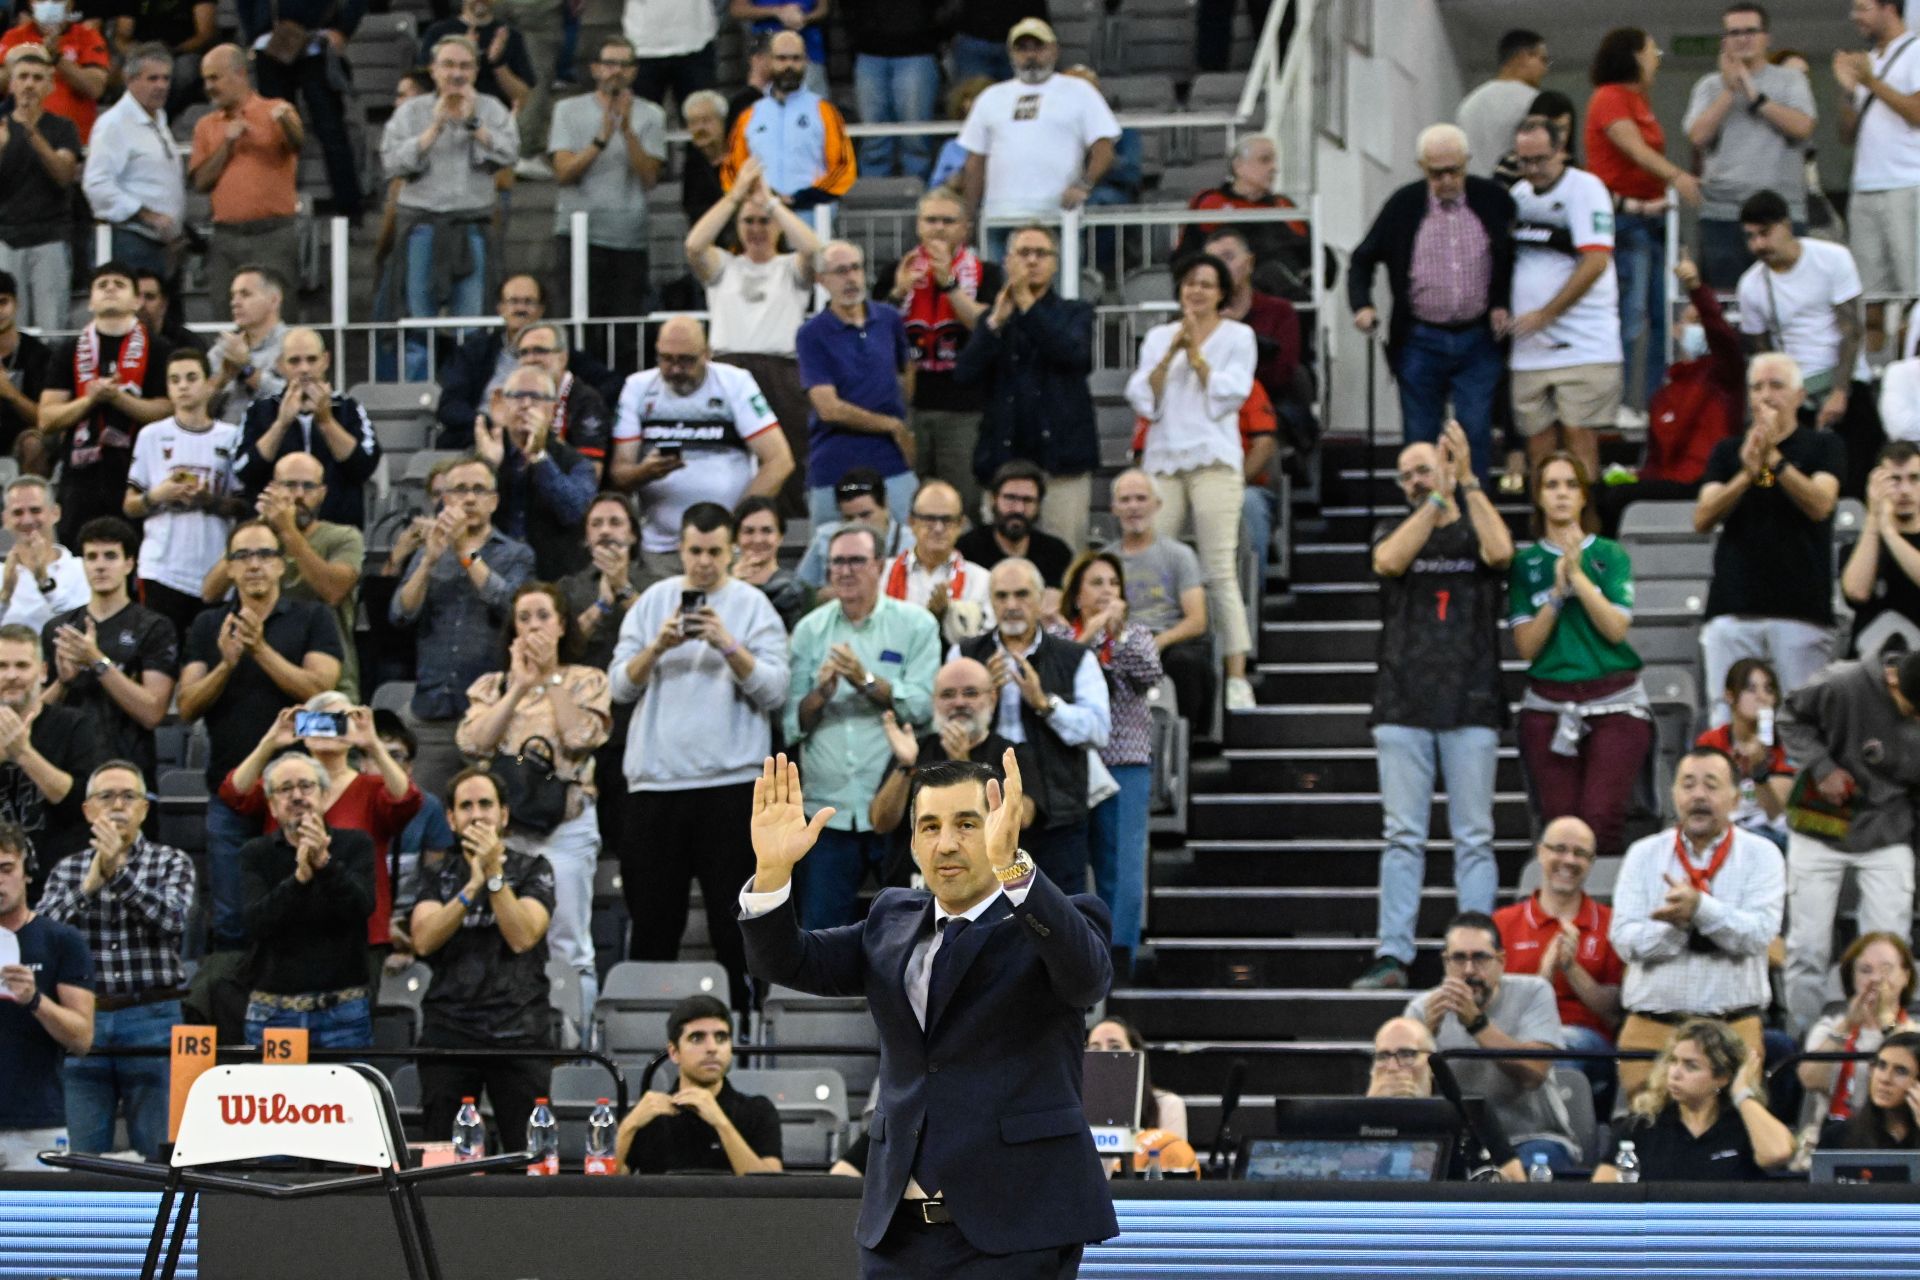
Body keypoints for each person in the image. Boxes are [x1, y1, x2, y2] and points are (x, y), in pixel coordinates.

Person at [742, 750, 1115, 1268]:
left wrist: (1015, 869)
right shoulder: (890, 917)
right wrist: (772, 871)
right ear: (913, 842)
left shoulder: (1057, 919)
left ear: (1002, 829)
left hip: (1019, 1227)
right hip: (896, 1235)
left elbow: (1088, 978)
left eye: (967, 824)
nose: (946, 843)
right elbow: (790, 961)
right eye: (930, 826)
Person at [1354, 428, 1512, 991]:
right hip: (1402, 703)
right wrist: (1436, 499)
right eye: (1408, 475)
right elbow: (1389, 560)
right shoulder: (1394, 529)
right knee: (1403, 837)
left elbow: (1501, 553)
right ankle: (1392, 955)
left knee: (1474, 837)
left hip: (1472, 701)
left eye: (1425, 468)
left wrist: (1465, 482)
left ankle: (1477, 958)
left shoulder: (1475, 527)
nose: (1416, 481)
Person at [610, 502, 785, 1007]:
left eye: (713, 552)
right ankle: (645, 1030)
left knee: (736, 927)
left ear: (731, 551)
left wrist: (728, 645)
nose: (703, 562)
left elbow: (775, 692)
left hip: (731, 789)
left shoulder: (752, 605)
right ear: (680, 550)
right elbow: (618, 687)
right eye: (694, 551)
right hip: (656, 787)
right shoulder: (653, 604)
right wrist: (657, 647)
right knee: (653, 923)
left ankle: (745, 1033)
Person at [178, 520, 344, 953]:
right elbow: (187, 705)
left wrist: (260, 650)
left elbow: (319, 690)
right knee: (233, 919)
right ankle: (238, 1012)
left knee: (303, 908)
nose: (254, 565)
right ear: (229, 568)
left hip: (302, 793)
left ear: (282, 566)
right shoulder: (207, 625)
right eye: (243, 556)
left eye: (265, 555)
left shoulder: (312, 617)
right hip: (232, 789)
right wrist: (227, 663)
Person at [455, 581, 610, 1022]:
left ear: (562, 625)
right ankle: (513, 1031)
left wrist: (551, 679)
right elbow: (473, 745)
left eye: (543, 616)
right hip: (506, 829)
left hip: (566, 824)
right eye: (524, 618)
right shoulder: (493, 685)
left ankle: (576, 1045)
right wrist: (520, 687)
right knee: (506, 934)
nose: (533, 626)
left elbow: (581, 737)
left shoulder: (586, 679)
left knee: (567, 939)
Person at [783, 524, 940, 928]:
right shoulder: (809, 630)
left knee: (911, 933)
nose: (845, 570)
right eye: (837, 561)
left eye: (856, 560)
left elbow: (922, 709)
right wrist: (820, 693)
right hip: (826, 812)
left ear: (879, 566)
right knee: (820, 934)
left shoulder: (916, 625)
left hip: (899, 807)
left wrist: (865, 681)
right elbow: (790, 725)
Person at [1609, 747, 1785, 1098]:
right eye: (1688, 785)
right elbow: (1624, 940)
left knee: (1734, 1135)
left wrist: (1701, 908)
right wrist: (1676, 928)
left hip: (1733, 1027)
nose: (1699, 795)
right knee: (1647, 1134)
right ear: (1674, 794)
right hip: (1652, 1028)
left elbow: (1759, 935)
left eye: (1711, 785)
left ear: (1735, 798)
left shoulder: (1762, 854)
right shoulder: (1643, 854)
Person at [36, 761, 188, 1160]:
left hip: (153, 1015)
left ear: (144, 809)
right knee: (82, 1157)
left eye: (128, 796)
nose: (117, 805)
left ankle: (162, 1224)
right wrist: (88, 886)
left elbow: (173, 922)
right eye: (106, 796)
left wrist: (116, 872)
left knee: (161, 1154)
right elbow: (42, 940)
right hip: (83, 1020)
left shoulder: (171, 862)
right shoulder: (67, 869)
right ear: (88, 811)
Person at [1348, 122, 1514, 487]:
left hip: (1477, 337)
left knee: (1475, 433)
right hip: (1420, 338)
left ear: (1467, 164)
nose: (1447, 180)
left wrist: (1502, 303)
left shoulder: (1493, 200)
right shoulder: (1404, 204)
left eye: (1455, 170)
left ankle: (1475, 527)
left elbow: (1511, 257)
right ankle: (1424, 528)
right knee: (1420, 441)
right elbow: (1362, 258)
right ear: (1422, 167)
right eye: (1436, 173)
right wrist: (1362, 305)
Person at [1126, 253, 1257, 711]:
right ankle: (1141, 665)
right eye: (1189, 283)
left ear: (1221, 292)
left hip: (1214, 461)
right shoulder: (1162, 335)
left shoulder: (1239, 335)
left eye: (1206, 284)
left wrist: (1198, 358)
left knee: (1218, 567)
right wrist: (1170, 354)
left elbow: (1231, 394)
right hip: (1164, 459)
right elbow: (1145, 397)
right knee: (1151, 559)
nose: (1196, 291)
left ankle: (1237, 673)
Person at [1509, 453, 1651, 859]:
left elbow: (1616, 628)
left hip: (1615, 700)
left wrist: (1579, 579)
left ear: (1584, 496)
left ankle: (1599, 919)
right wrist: (1555, 594)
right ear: (1538, 497)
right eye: (1551, 485)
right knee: (1559, 829)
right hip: (1549, 704)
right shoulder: (1525, 563)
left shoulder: (1611, 554)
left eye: (1571, 485)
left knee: (1601, 819)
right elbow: (1526, 647)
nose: (1561, 494)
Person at [220, 697, 421, 982]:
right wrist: (270, 742)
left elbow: (407, 800)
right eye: (317, 721)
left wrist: (372, 744)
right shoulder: (283, 787)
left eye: (337, 721)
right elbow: (234, 793)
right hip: (287, 926)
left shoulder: (371, 787)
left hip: (356, 931)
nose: (327, 730)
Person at [1774, 645, 1920, 1034]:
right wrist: (1822, 768)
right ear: (1892, 680)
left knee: (1888, 950)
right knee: (1808, 948)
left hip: (1889, 825)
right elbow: (1789, 717)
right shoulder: (1843, 682)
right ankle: (1804, 1039)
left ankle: (1881, 1038)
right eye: (1912, 708)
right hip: (1823, 820)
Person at [411, 766, 556, 1153]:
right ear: (451, 818)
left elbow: (523, 936)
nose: (477, 815)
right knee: (443, 1159)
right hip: (450, 1033)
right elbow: (423, 940)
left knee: (530, 1159)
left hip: (519, 1030)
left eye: (486, 805)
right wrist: (472, 885)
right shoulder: (437, 874)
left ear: (504, 815)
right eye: (466, 806)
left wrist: (492, 874)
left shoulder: (534, 869)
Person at [1693, 352, 1845, 717]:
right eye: (1757, 387)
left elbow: (1821, 504)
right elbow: (1702, 517)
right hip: (1733, 608)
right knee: (1727, 719)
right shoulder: (1728, 452)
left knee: (1803, 721)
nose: (1765, 395)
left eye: (1776, 385)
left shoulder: (1823, 447)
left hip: (1800, 612)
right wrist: (1748, 472)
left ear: (1799, 395)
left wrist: (1774, 461)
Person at [957, 557, 1109, 893]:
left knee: (1061, 919)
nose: (1011, 605)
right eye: (1001, 596)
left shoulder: (1075, 656)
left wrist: (1045, 704)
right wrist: (983, 695)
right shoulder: (965, 653)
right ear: (990, 601)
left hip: (1057, 810)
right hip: (982, 807)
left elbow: (1099, 730)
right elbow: (946, 720)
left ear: (1041, 600)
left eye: (1022, 595)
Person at [379, 35, 519, 382]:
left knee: (471, 326)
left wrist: (474, 125)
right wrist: (435, 126)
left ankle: (466, 403)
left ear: (475, 70)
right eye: (448, 65)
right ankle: (417, 399)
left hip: (471, 226)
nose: (456, 74)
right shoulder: (411, 112)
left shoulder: (491, 109)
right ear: (434, 69)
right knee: (418, 324)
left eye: (465, 66)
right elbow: (392, 162)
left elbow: (510, 154)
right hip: (422, 228)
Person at [611, 316, 793, 577]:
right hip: (662, 548)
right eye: (666, 359)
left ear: (707, 354)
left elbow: (779, 461)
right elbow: (619, 473)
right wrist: (646, 473)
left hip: (723, 547)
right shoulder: (638, 387)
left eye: (686, 360)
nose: (675, 369)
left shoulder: (735, 383)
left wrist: (736, 524)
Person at [685, 162, 821, 505]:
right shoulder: (723, 267)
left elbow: (814, 251)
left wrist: (771, 202)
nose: (756, 229)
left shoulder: (790, 268)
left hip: (782, 372)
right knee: (730, 453)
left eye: (764, 222)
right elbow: (694, 245)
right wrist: (734, 197)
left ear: (777, 226)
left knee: (788, 454)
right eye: (749, 221)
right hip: (728, 370)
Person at [953, 224, 1096, 549]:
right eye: (1023, 253)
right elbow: (964, 375)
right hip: (1003, 466)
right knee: (999, 565)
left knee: (1065, 560)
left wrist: (1026, 303)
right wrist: (995, 323)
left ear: (1055, 263)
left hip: (1062, 466)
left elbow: (1072, 355)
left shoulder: (1077, 313)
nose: (1032, 261)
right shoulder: (995, 319)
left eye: (1041, 253)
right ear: (1007, 262)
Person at [1050, 551, 1159, 968]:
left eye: (1113, 584)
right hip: (1066, 763)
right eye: (1096, 583)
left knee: (1122, 871)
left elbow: (1149, 673)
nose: (1106, 592)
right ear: (1076, 594)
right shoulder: (1058, 633)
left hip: (1123, 762)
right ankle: (1071, 958)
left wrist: (1116, 635)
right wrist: (1090, 634)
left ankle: (1118, 958)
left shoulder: (1137, 635)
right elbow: (1052, 674)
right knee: (1066, 867)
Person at [1405, 911, 1578, 1172]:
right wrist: (1425, 1038)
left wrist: (1477, 1024)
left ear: (1501, 960)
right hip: (1454, 1142)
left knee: (1522, 1175)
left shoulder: (1533, 993)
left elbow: (1534, 1074)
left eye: (1480, 958)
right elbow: (1402, 1091)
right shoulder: (1423, 1010)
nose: (1469, 970)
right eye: (1459, 958)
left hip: (1532, 1138)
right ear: (1445, 962)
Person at [1586, 27, 1701, 410]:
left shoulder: (1639, 100)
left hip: (1654, 220)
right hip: (1626, 220)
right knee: (1630, 317)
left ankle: (1651, 404)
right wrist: (1677, 176)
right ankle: (1617, 402)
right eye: (1652, 50)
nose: (1656, 57)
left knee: (1658, 317)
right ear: (1634, 55)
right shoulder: (1609, 98)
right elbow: (1633, 150)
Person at [1508, 115, 1621, 481]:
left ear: (1562, 152)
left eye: (1541, 159)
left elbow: (1595, 261)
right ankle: (1546, 532)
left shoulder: (1586, 189)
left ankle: (1586, 534)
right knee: (1538, 447)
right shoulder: (1518, 197)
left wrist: (1547, 312)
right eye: (1524, 161)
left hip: (1584, 343)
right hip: (1529, 350)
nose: (1533, 170)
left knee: (1578, 441)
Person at [238, 752, 377, 1048]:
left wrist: (324, 864)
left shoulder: (356, 844)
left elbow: (361, 906)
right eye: (285, 789)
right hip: (273, 1014)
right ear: (273, 806)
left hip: (343, 1013)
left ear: (325, 797)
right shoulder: (256, 853)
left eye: (306, 786)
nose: (297, 796)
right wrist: (300, 879)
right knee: (275, 1097)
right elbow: (255, 922)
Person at [202, 451, 366, 701]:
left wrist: (286, 529)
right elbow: (210, 592)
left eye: (308, 486)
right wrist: (258, 526)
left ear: (322, 493)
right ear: (272, 489)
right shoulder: (256, 539)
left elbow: (333, 591)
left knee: (325, 739)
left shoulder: (343, 537)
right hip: (261, 685)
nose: (298, 495)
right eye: (289, 485)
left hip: (328, 687)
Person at [1494, 817, 1626, 1114]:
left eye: (1580, 854)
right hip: (1517, 1038)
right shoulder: (1504, 923)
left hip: (1588, 1041)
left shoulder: (1611, 923)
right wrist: (1544, 974)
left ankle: (1550, 1133)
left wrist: (1571, 968)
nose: (1569, 860)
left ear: (1591, 862)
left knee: (1559, 1045)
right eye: (1559, 849)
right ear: (1541, 852)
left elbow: (1613, 1014)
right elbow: (1497, 1008)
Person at [391, 456, 537, 723]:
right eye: (460, 490)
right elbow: (401, 614)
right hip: (432, 705)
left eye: (479, 490)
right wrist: (428, 562)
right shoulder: (427, 552)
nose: (469, 499)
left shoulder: (518, 555)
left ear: (494, 502)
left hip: (493, 709)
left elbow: (510, 608)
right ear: (446, 500)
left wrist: (464, 551)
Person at [36, 262, 172, 544]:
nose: (110, 288)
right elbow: (47, 419)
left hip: (139, 473)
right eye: (102, 285)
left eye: (119, 284)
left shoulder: (159, 348)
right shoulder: (68, 350)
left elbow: (169, 411)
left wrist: (118, 399)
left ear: (137, 301)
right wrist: (90, 399)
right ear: (90, 302)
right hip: (81, 476)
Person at [1735, 190, 1872, 464]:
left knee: (1860, 466)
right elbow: (1761, 354)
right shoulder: (1750, 285)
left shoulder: (1833, 258)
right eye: (1750, 237)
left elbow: (1852, 330)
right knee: (1775, 475)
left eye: (1764, 233)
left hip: (1845, 381)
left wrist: (1839, 392)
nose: (1758, 245)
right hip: (1796, 394)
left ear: (1785, 225)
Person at [1683, 7, 1817, 289]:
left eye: (1750, 31)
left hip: (1781, 212)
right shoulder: (1708, 86)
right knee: (1726, 304)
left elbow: (1802, 127)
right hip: (1722, 214)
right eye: (1734, 33)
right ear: (1725, 42)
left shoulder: (1790, 80)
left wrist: (1754, 95)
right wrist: (1731, 90)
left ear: (1766, 37)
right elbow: (1697, 136)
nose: (1742, 39)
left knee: (1788, 296)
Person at [41, 519, 178, 786]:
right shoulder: (58, 629)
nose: (100, 565)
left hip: (130, 772)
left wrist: (97, 661)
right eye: (91, 557)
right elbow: (35, 713)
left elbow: (152, 713)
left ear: (129, 564)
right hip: (66, 774)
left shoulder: (154, 627)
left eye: (110, 556)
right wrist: (63, 683)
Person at [957, 17, 1118, 244]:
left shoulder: (1079, 91)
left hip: (1059, 215)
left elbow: (1104, 148)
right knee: (1001, 279)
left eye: (1038, 47)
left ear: (1055, 50)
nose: (1030, 55)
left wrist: (1084, 185)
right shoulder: (990, 97)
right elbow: (975, 162)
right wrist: (969, 215)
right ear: (1011, 54)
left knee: (1062, 280)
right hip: (1000, 215)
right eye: (1022, 49)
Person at [889, 190, 1000, 517]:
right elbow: (875, 332)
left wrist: (949, 284)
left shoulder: (986, 273)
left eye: (948, 221)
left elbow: (987, 326)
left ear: (965, 228)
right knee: (907, 506)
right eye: (930, 220)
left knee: (962, 504)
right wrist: (898, 291)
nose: (938, 228)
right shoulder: (898, 270)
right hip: (907, 408)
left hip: (965, 408)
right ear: (918, 226)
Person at [550, 35, 666, 334]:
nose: (617, 71)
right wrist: (601, 139)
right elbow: (563, 172)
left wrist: (627, 132)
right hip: (578, 236)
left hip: (629, 237)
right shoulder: (567, 110)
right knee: (578, 327)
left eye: (625, 64)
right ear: (595, 69)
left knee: (625, 331)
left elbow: (650, 178)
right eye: (610, 63)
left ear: (634, 71)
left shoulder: (652, 114)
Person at [798, 240, 916, 527]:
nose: (850, 278)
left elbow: (908, 368)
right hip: (834, 463)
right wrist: (892, 424)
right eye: (840, 271)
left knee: (906, 547)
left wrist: (902, 413)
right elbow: (829, 409)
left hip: (890, 461)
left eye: (855, 268)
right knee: (833, 552)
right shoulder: (812, 334)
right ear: (821, 280)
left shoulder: (888, 319)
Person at [1591, 1017, 1793, 1180]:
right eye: (1673, 1061)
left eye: (1691, 1066)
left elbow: (1778, 1153)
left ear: (1722, 1078)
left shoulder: (1744, 1126)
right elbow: (1601, 1194)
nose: (1675, 1073)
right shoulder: (1642, 1126)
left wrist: (1741, 1093)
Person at [869, 657, 1032, 855]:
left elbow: (1023, 818)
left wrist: (964, 764)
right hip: (914, 882)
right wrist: (905, 766)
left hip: (987, 880)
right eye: (947, 694)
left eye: (970, 693)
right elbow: (880, 823)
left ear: (992, 698)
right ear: (934, 701)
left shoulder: (1012, 753)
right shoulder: (913, 749)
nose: (959, 702)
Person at [0, 827, 93, 1169]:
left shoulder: (60, 940)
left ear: (26, 871)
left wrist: (35, 999)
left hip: (37, 1120)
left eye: (6, 869)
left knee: (41, 1223)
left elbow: (82, 1038)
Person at [232, 329, 383, 530]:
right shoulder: (260, 410)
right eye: (294, 361)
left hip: (336, 532)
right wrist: (281, 424)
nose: (304, 369)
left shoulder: (348, 408)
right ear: (280, 365)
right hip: (273, 534)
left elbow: (364, 466)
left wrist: (327, 422)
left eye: (312, 360)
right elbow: (243, 470)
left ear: (326, 360)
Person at [190, 45, 302, 312]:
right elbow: (201, 182)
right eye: (205, 79)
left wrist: (285, 123)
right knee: (225, 317)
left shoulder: (278, 110)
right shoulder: (205, 125)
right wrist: (227, 144)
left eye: (214, 78)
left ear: (239, 73)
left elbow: (298, 144)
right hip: (225, 239)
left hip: (273, 235)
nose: (208, 86)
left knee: (279, 317)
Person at [616, 992, 782, 1174]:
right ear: (674, 1052)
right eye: (697, 1038)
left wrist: (721, 1123)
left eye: (721, 1037)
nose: (712, 1048)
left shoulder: (758, 1110)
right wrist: (628, 1126)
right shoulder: (649, 1114)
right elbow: (604, 1191)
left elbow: (771, 1191)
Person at [1834, 0, 1920, 348]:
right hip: (1865, 186)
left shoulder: (1915, 51)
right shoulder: (1866, 59)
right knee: (1869, 297)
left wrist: (1870, 81)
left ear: (1889, 8)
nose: (1855, 17)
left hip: (1907, 184)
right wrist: (1847, 89)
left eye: (1863, 8)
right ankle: (1873, 377)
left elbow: (1916, 112)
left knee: (1912, 291)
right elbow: (1846, 135)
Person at [473, 366, 596, 581]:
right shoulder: (483, 452)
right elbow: (453, 511)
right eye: (518, 396)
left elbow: (576, 513)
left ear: (553, 409)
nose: (526, 404)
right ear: (501, 403)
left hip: (553, 582)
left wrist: (539, 458)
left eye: (537, 397)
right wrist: (488, 468)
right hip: (488, 576)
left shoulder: (575, 462)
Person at [1364, 1015, 1525, 1180]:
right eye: (1383, 1056)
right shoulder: (1353, 1113)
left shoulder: (1468, 1109)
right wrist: (1371, 1109)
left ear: (1432, 1063)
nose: (1392, 1067)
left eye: (1407, 1054)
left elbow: (1516, 1178)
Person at [0, 620, 105, 869]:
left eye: (22, 665)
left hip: (58, 876)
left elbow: (83, 804)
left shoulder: (75, 725)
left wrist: (23, 753)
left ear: (44, 671)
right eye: (2, 666)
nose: (11, 675)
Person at [1110, 469, 1211, 721]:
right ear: (1114, 507)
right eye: (1125, 500)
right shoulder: (1105, 561)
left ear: (1157, 505)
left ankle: (1184, 745)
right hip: (1119, 643)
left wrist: (1158, 642)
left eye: (1141, 498)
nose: (1134, 507)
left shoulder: (1180, 555)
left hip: (1168, 643)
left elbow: (1197, 620)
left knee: (1185, 663)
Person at [1798, 932, 1918, 1144]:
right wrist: (1845, 1026)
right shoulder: (1829, 1028)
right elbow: (1810, 1079)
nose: (1875, 979)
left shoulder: (1914, 1033)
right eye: (1865, 970)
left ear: (1905, 976)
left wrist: (1887, 1024)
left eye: (1886, 969)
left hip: (1896, 1141)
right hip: (1832, 1138)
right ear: (1851, 977)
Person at [720, 29, 853, 210]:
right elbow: (731, 170)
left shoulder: (825, 112)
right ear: (769, 61)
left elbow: (843, 167)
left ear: (806, 61)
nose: (789, 65)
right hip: (764, 215)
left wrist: (805, 197)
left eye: (796, 58)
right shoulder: (750, 115)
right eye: (781, 58)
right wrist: (757, 197)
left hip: (812, 215)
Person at [80, 45, 182, 279]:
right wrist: (148, 215)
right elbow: (96, 185)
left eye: (166, 78)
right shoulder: (114, 123)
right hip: (127, 241)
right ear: (130, 80)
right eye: (152, 78)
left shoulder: (159, 119)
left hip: (158, 244)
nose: (161, 85)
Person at [0, 49, 78, 332]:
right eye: (22, 77)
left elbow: (64, 175)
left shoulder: (62, 128)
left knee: (52, 330)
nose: (29, 84)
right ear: (11, 84)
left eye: (37, 78)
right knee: (5, 329)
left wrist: (31, 133)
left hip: (50, 239)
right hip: (6, 239)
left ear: (50, 86)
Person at [1177, 134, 1311, 299]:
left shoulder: (1284, 206)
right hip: (1226, 296)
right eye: (1265, 160)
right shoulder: (1209, 202)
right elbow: (1185, 256)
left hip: (1282, 299)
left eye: (1274, 161)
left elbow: (1312, 254)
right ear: (1239, 166)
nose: (1274, 168)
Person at [1696, 658, 1794, 847]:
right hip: (1723, 828)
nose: (1762, 697)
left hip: (1771, 834)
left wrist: (1759, 771)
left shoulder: (1785, 744)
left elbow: (1774, 814)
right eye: (1751, 689)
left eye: (1769, 689)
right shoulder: (1711, 741)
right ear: (1730, 696)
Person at [881, 481, 992, 645]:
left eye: (947, 520)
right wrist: (930, 617)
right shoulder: (881, 573)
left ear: (961, 525)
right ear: (912, 522)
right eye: (929, 519)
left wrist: (946, 618)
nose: (938, 528)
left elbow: (986, 645)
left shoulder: (983, 581)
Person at [845, 0, 940, 178]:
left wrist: (932, 30)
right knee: (873, 135)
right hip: (869, 50)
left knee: (915, 136)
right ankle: (873, 196)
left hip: (918, 49)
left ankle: (917, 195)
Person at [514, 323, 615, 480]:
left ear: (563, 358)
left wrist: (544, 440)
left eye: (540, 351)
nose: (530, 359)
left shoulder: (586, 400)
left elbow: (591, 474)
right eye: (524, 353)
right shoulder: (515, 398)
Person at [793, 469, 914, 600]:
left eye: (865, 515)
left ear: (885, 505)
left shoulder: (911, 542)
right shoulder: (825, 538)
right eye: (849, 518)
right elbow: (802, 587)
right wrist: (820, 596)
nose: (858, 524)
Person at [1845, 445, 1920, 654]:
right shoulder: (1864, 541)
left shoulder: (1888, 534)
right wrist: (1873, 517)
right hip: (1868, 664)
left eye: (1914, 478)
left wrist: (1889, 531)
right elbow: (1856, 592)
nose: (1905, 490)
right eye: (1894, 480)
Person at [0, 0, 105, 142]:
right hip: (19, 140)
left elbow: (95, 88)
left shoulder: (88, 37)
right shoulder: (14, 37)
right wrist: (22, 61)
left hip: (74, 141)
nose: (49, 3)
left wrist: (57, 58)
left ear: (71, 4)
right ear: (30, 4)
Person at [0, 477, 89, 633]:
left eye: (35, 510)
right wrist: (5, 594)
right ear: (5, 519)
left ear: (55, 513)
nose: (27, 520)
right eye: (17, 512)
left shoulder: (82, 569)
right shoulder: (2, 574)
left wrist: (44, 582)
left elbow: (83, 626)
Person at [416, 0, 534, 119]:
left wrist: (498, 62)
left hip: (494, 117)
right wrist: (461, 50)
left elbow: (521, 96)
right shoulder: (438, 31)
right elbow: (424, 82)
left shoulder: (511, 36)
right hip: (444, 114)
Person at [203, 268, 289, 429]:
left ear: (274, 300)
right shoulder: (222, 349)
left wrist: (247, 369)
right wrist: (221, 380)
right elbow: (194, 408)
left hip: (276, 438)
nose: (235, 302)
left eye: (245, 294)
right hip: (225, 439)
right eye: (233, 295)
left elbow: (296, 397)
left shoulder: (292, 345)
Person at [1457, 29, 1549, 178]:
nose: (1545, 69)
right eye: (1542, 60)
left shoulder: (1468, 104)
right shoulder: (1535, 100)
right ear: (1523, 57)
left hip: (1475, 191)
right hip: (1514, 190)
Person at [1085, 1016, 1187, 1141]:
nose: (1105, 1055)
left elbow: (1173, 1158)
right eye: (1095, 1048)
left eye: (1115, 1047)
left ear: (1136, 1053)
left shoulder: (1167, 1105)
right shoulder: (1075, 1109)